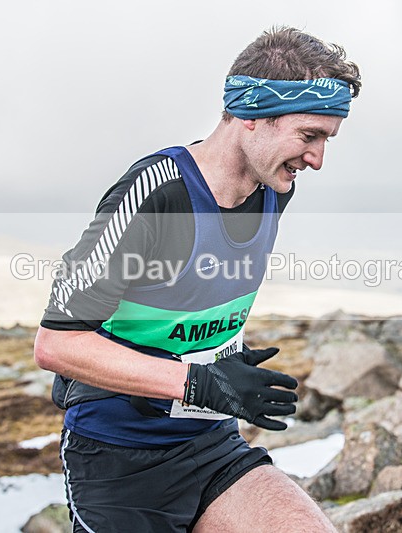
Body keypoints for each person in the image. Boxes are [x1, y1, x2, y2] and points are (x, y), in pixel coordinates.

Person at [34, 26, 361, 532]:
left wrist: (222, 358)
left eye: (326, 139)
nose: (317, 159)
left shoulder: (275, 188)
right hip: (118, 465)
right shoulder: (153, 194)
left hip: (211, 449)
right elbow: (57, 344)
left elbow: (192, 293)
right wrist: (198, 381)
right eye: (310, 136)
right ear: (253, 116)